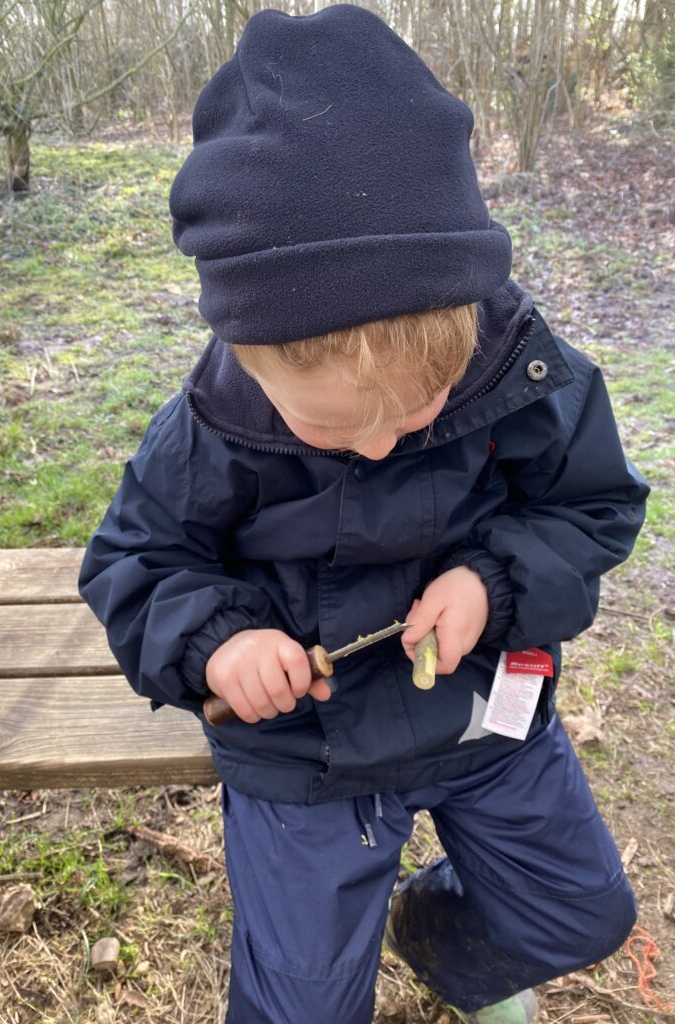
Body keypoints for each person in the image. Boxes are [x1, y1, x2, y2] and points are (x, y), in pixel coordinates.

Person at [79, 6, 649, 1023]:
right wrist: (220, 645)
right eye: (335, 429)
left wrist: (493, 581)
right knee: (301, 1005)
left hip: (482, 711)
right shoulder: (217, 421)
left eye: (417, 413)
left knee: (580, 911)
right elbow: (134, 561)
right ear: (254, 362)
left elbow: (593, 505)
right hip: (306, 755)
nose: (382, 447)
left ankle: (434, 940)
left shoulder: (522, 372)